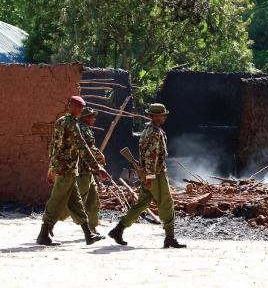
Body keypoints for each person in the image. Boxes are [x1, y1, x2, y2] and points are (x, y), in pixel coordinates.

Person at [109, 103, 186, 248]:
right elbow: (151, 157)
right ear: (154, 116)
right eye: (162, 115)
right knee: (166, 203)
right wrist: (150, 178)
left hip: (149, 174)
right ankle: (169, 237)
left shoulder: (147, 130)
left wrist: (147, 176)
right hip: (155, 175)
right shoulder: (155, 133)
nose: (164, 117)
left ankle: (118, 230)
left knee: (141, 204)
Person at [36, 96, 108, 246]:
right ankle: (43, 234)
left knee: (76, 203)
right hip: (66, 169)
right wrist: (98, 167)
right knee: (56, 201)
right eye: (79, 107)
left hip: (65, 169)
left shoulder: (60, 121)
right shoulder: (72, 124)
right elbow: (82, 147)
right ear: (71, 106)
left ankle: (88, 235)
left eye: (81, 108)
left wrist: (51, 167)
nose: (80, 111)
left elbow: (52, 147)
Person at [59, 107, 106, 238]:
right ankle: (51, 221)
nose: (94, 119)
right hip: (81, 171)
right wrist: (99, 157)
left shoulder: (85, 128)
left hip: (88, 170)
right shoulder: (82, 129)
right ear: (85, 117)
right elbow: (87, 148)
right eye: (92, 117)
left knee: (93, 199)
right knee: (76, 200)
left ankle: (92, 228)